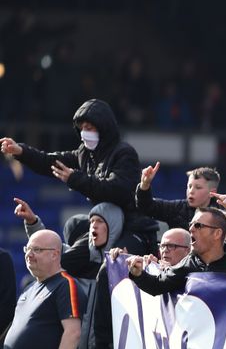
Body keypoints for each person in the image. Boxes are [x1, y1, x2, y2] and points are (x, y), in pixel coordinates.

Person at [0, 99, 158, 255]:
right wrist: (21, 151)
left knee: (115, 264)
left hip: (133, 227)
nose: (84, 133)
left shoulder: (124, 153)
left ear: (103, 127)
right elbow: (50, 162)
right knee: (73, 229)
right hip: (105, 226)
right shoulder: (85, 154)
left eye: (89, 127)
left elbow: (116, 190)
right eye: (82, 128)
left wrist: (75, 179)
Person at [126, 208, 226, 295]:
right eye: (191, 224)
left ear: (217, 233)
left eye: (198, 225)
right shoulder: (188, 264)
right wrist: (138, 274)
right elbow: (156, 286)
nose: (191, 229)